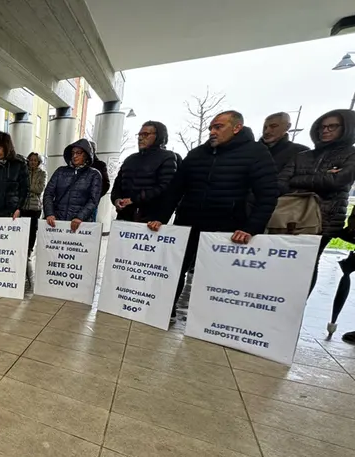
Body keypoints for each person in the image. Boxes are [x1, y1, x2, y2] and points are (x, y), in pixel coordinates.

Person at [147, 111, 278, 320]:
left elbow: (268, 195)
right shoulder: (198, 154)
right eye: (211, 128)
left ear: (237, 128)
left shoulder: (255, 153)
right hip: (188, 222)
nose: (212, 132)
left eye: (218, 127)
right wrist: (161, 218)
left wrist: (251, 228)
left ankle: (209, 319)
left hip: (226, 226)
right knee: (175, 267)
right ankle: (166, 309)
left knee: (215, 275)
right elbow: (175, 190)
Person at [278, 109, 355, 294]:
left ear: (346, 128)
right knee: (281, 262)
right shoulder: (303, 155)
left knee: (309, 263)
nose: (325, 131)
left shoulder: (351, 155)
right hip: (290, 215)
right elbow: (281, 183)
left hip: (324, 220)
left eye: (332, 126)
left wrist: (299, 179)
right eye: (322, 127)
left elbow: (337, 181)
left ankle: (297, 304)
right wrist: (321, 178)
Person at [111, 121, 178, 222]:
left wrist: (134, 200)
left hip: (151, 220)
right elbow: (117, 185)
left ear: (159, 136)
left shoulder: (167, 157)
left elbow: (165, 188)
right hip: (124, 217)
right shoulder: (130, 159)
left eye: (145, 134)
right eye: (139, 135)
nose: (140, 138)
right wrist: (116, 199)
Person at [43, 139, 102, 231]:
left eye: (78, 153)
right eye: (73, 153)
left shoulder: (94, 174)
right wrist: (49, 213)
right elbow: (48, 193)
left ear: (86, 155)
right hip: (57, 223)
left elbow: (93, 200)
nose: (74, 156)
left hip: (80, 225)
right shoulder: (60, 171)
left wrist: (80, 217)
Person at [22, 152, 46, 255]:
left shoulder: (42, 173)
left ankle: (30, 249)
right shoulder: (23, 171)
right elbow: (20, 186)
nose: (32, 162)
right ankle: (22, 247)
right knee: (23, 228)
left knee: (32, 230)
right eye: (31, 160)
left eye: (35, 160)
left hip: (35, 207)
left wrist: (27, 187)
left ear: (38, 162)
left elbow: (40, 188)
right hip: (23, 205)